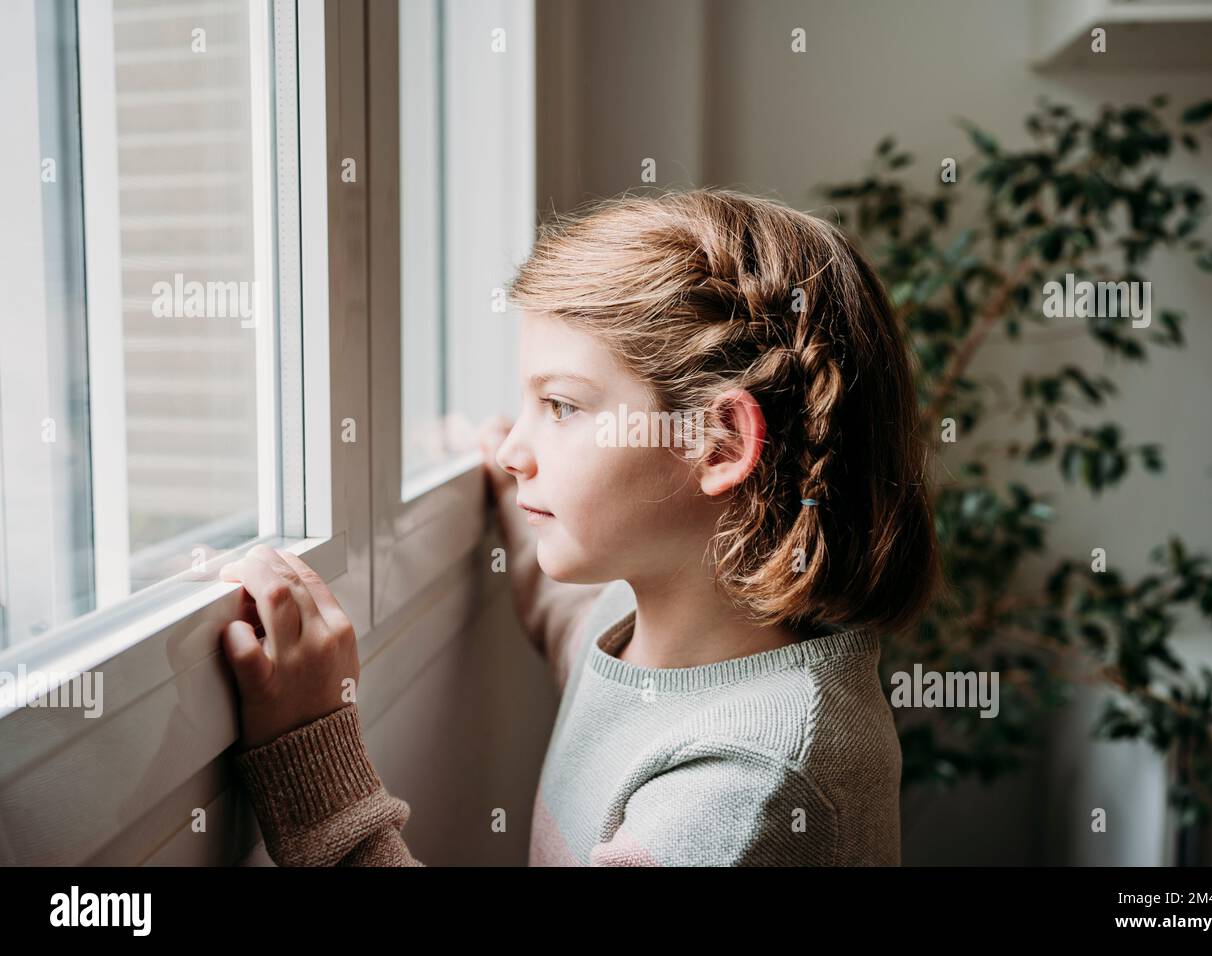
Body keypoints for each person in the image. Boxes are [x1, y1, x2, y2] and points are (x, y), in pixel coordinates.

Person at [220, 188, 941, 866]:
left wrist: (314, 761)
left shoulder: (747, 785)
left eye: (561, 407)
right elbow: (574, 627)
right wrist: (516, 497)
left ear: (718, 443)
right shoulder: (653, 626)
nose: (514, 450)